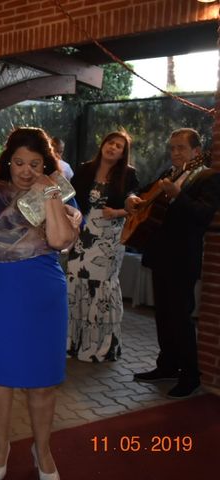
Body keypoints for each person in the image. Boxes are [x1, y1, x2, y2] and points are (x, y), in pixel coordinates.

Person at [0, 127, 80, 480]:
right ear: (8, 162)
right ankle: (1, 446)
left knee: (43, 380)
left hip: (40, 291)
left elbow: (60, 239)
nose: (25, 170)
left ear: (46, 164)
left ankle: (42, 449)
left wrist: (48, 194)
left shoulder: (60, 193)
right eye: (18, 162)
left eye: (34, 163)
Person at [128, 128, 220, 398]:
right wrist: (131, 198)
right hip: (160, 254)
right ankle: (166, 365)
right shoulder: (168, 175)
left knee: (181, 317)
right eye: (172, 148)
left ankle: (191, 375)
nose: (175, 153)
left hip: (183, 257)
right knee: (163, 315)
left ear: (196, 152)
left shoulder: (208, 177)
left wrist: (178, 196)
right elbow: (141, 193)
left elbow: (202, 215)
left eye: (181, 148)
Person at [66, 131, 139, 362]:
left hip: (110, 237)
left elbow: (136, 205)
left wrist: (117, 211)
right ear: (102, 144)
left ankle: (99, 346)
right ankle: (73, 343)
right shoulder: (86, 168)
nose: (113, 147)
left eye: (119, 146)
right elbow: (70, 198)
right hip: (83, 233)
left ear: (123, 153)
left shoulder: (129, 174)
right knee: (75, 280)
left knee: (101, 286)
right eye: (110, 142)